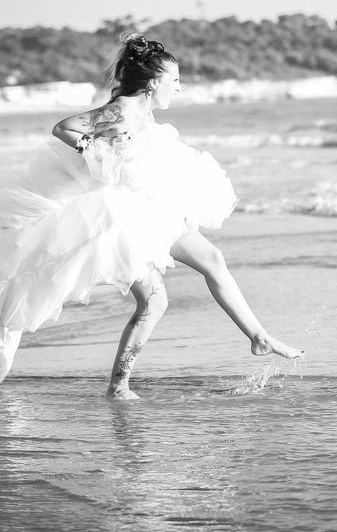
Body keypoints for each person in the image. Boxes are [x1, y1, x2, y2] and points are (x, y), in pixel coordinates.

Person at [0, 34, 303, 399]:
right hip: (123, 216)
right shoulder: (122, 108)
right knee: (155, 301)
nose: (179, 87)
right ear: (154, 82)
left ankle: (259, 336)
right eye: (175, 81)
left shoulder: (144, 113)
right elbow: (64, 128)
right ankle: (119, 386)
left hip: (152, 209)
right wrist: (97, 151)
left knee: (212, 259)